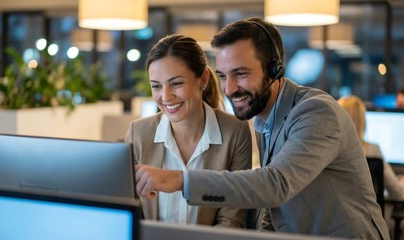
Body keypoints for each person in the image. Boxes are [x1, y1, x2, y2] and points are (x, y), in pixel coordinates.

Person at [135, 17, 390, 239]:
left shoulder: (316, 111)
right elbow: (273, 210)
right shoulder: (262, 119)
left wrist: (177, 179)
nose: (229, 89)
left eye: (241, 74)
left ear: (275, 69)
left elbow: (275, 185)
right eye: (223, 76)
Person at [125, 34, 252, 227]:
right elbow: (130, 213)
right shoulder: (138, 132)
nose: (166, 96)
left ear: (203, 80)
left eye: (176, 83)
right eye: (156, 86)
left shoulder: (235, 132)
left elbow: (232, 219)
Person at [338, 95, 404, 200]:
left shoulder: (330, 153)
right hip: (368, 214)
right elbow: (397, 192)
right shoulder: (373, 150)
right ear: (362, 120)